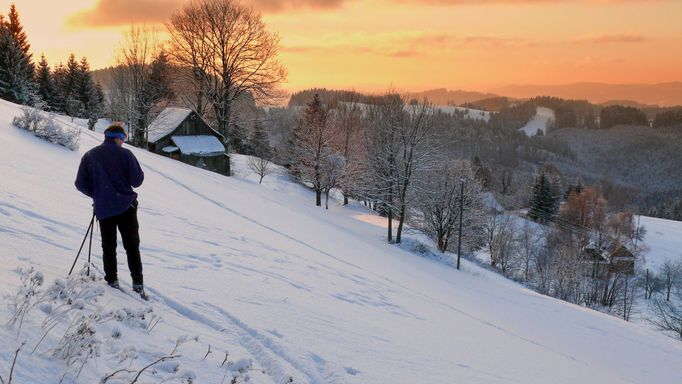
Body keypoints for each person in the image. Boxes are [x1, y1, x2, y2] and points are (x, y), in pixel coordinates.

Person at [75, 124, 147, 299]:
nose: (123, 142)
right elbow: (137, 181)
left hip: (104, 208)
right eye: (123, 139)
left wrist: (98, 194)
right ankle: (138, 285)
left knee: (109, 245)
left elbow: (80, 184)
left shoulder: (90, 155)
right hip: (126, 207)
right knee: (132, 246)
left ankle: (112, 280)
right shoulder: (126, 154)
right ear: (116, 138)